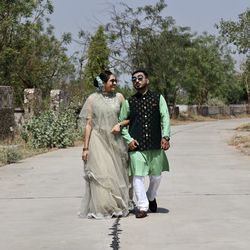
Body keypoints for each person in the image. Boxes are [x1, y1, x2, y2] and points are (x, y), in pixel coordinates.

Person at [79, 70, 131, 219]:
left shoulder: (120, 97)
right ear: (103, 83)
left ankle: (118, 204)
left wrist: (120, 125)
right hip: (98, 140)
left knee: (116, 174)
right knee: (102, 173)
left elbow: (129, 117)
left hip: (115, 140)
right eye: (112, 81)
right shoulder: (92, 99)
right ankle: (103, 207)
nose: (115, 83)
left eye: (115, 81)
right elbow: (88, 124)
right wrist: (85, 148)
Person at [119, 69, 171, 219]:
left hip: (155, 144)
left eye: (140, 78)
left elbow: (165, 117)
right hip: (137, 147)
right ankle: (142, 206)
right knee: (138, 177)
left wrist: (166, 137)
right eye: (133, 79)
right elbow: (121, 124)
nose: (137, 81)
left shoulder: (158, 98)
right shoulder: (129, 102)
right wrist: (129, 140)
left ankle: (151, 195)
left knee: (156, 176)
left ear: (147, 80)